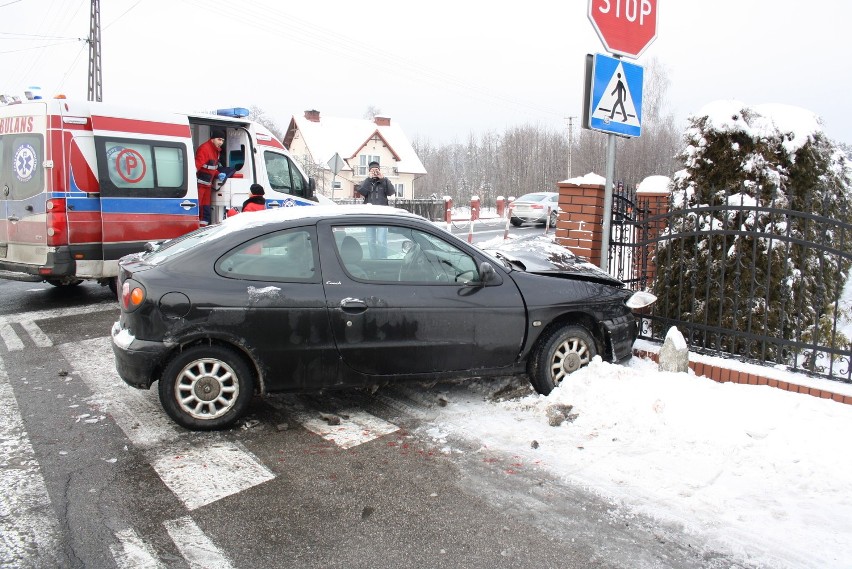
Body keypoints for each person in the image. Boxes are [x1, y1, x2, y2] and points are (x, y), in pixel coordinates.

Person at [357, 161, 395, 258]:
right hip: (369, 215)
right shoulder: (367, 182)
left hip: (382, 215)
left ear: (379, 171)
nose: (374, 172)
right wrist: (369, 179)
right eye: (372, 170)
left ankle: (383, 259)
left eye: (376, 170)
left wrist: (383, 179)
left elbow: (391, 192)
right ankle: (373, 260)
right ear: (369, 171)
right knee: (370, 240)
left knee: (381, 239)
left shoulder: (384, 181)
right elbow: (362, 191)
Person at [195, 129, 227, 225]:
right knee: (199, 209)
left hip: (207, 185)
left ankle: (203, 230)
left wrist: (217, 174)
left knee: (205, 210)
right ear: (212, 139)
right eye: (219, 139)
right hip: (200, 185)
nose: (221, 142)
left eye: (222, 140)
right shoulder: (205, 149)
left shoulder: (216, 150)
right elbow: (196, 166)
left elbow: (211, 167)